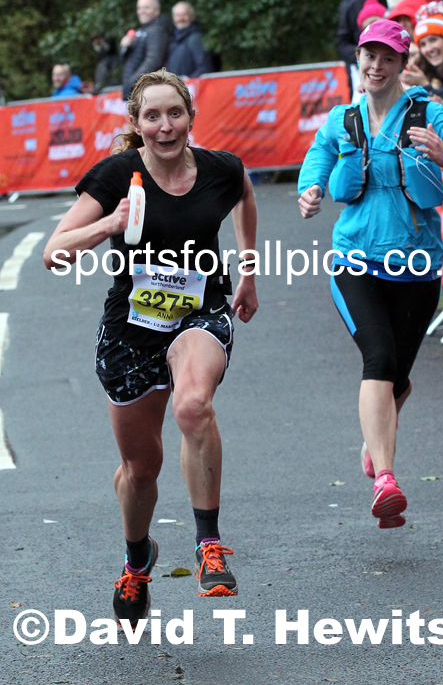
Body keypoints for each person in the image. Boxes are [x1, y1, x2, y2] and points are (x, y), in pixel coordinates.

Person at [44, 68, 258, 625]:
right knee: (141, 470)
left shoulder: (219, 168)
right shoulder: (117, 175)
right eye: (153, 116)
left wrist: (249, 270)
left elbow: (244, 191)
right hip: (131, 331)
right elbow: (54, 253)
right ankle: (137, 561)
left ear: (190, 116)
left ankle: (208, 545)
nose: (166, 126)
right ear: (137, 125)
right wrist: (108, 224)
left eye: (175, 113)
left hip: (199, 314)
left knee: (193, 406)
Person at [297, 19, 443, 530]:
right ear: (358, 59)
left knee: (398, 379)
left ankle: (375, 440)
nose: (376, 66)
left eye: (388, 57)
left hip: (416, 265)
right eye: (370, 55)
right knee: (379, 359)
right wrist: (310, 188)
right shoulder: (344, 118)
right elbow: (319, 154)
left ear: (403, 64)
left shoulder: (434, 115)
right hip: (354, 260)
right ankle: (385, 480)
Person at [121, 0, 173, 100]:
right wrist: (124, 47)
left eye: (146, 7)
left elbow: (154, 60)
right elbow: (127, 60)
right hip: (137, 90)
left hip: (147, 90)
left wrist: (133, 82)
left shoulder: (157, 30)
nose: (142, 11)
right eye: (139, 8)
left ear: (156, 11)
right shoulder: (141, 31)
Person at [165, 2, 214, 78]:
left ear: (192, 17)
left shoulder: (196, 39)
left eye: (184, 14)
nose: (180, 18)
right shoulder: (172, 40)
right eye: (177, 15)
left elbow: (204, 68)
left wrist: (187, 82)